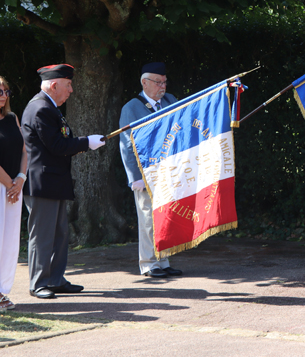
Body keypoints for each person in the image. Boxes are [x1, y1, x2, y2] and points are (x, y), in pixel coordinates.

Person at [21, 64, 106, 299]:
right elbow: (57, 145)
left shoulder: (49, 107)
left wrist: (84, 142)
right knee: (43, 235)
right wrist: (86, 142)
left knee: (59, 234)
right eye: (68, 85)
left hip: (53, 181)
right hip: (43, 183)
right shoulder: (41, 108)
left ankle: (55, 279)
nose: (71, 90)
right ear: (54, 85)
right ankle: (39, 283)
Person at [119, 62, 182, 278]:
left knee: (166, 217)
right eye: (158, 82)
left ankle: (163, 261)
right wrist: (134, 177)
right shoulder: (131, 108)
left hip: (168, 171)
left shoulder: (170, 101)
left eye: (164, 82)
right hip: (145, 173)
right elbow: (127, 144)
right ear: (144, 83)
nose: (162, 87)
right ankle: (148, 263)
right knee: (148, 218)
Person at [0, 76, 28, 311]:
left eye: (6, 92)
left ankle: (1, 291)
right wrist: (10, 184)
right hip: (5, 186)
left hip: (13, 188)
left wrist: (20, 179)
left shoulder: (12, 118)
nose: (3, 96)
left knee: (9, 242)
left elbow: (24, 150)